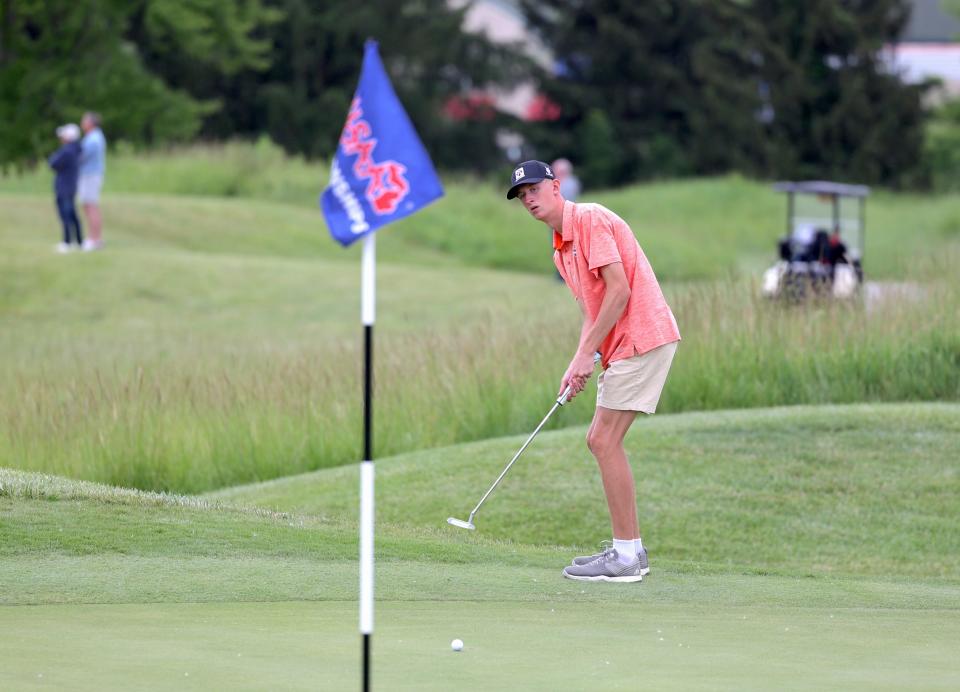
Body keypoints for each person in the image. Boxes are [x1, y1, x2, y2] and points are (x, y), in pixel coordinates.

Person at [507, 160, 681, 583]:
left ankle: (625, 557)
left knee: (602, 439)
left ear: (555, 185)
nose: (529, 199)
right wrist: (579, 359)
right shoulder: (560, 247)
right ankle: (632, 552)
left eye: (534, 189)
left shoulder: (589, 219)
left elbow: (619, 290)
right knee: (602, 440)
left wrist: (590, 355)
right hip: (624, 344)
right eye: (521, 195)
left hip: (642, 336)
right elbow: (593, 309)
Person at [48, 123, 84, 253]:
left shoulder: (67, 151)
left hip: (64, 186)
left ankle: (67, 242)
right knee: (72, 214)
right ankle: (79, 241)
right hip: (71, 185)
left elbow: (52, 163)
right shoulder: (76, 149)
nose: (61, 138)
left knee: (66, 215)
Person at [78, 111, 107, 251]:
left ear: (91, 123)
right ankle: (94, 238)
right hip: (90, 174)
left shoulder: (93, 138)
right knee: (88, 205)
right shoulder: (93, 136)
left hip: (90, 175)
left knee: (91, 206)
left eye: (84, 120)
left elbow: (82, 156)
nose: (82, 123)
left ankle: (94, 239)